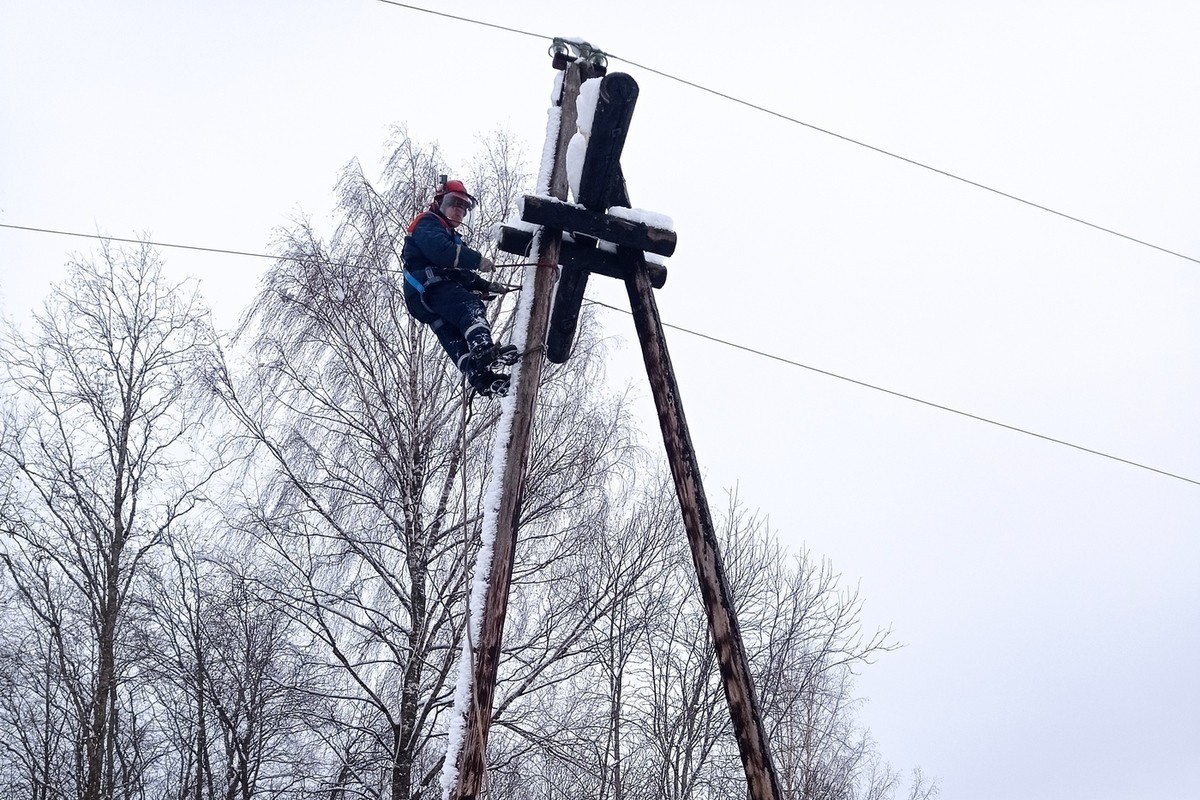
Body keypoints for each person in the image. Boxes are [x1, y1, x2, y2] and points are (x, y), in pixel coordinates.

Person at [401, 179, 517, 397]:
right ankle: (483, 348)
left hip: (424, 296)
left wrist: (485, 286)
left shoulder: (452, 237)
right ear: (440, 203)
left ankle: (481, 378)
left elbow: (462, 274)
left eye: (463, 208)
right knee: (470, 306)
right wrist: (477, 260)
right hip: (430, 285)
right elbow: (441, 252)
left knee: (453, 335)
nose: (458, 211)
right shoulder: (427, 222)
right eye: (453, 204)